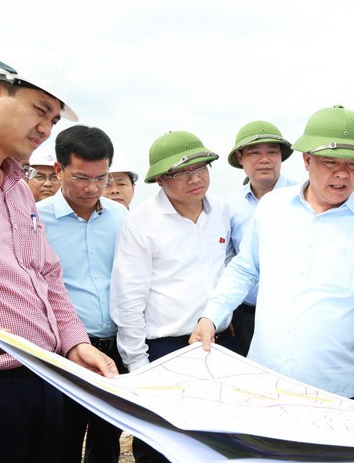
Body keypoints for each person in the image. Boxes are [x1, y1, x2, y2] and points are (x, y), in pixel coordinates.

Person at [190, 105, 354, 399]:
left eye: (353, 165)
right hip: (262, 378)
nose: (341, 175)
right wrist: (211, 317)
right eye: (330, 162)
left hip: (333, 390)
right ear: (307, 160)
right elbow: (244, 269)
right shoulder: (273, 208)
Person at [0, 53, 117, 462]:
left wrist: (74, 343)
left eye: (53, 120)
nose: (46, 128)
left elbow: (47, 275)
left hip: (46, 380)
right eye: (40, 110)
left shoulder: (19, 189)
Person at [110, 131, 232, 463]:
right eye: (182, 172)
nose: (196, 178)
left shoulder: (221, 210)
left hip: (220, 345)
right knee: (163, 444)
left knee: (217, 442)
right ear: (161, 179)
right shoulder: (141, 224)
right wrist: (139, 366)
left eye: (202, 168)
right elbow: (128, 300)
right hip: (167, 350)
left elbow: (234, 269)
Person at [37, 125, 128, 463]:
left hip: (115, 345)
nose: (93, 188)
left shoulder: (121, 217)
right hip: (64, 351)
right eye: (80, 177)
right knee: (63, 438)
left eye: (102, 178)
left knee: (108, 438)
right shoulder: (37, 220)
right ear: (59, 169)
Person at [225, 120, 296, 357]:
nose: (264, 159)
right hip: (246, 315)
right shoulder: (230, 206)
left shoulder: (303, 196)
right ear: (240, 157)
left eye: (272, 152)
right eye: (254, 153)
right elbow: (228, 260)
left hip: (295, 314)